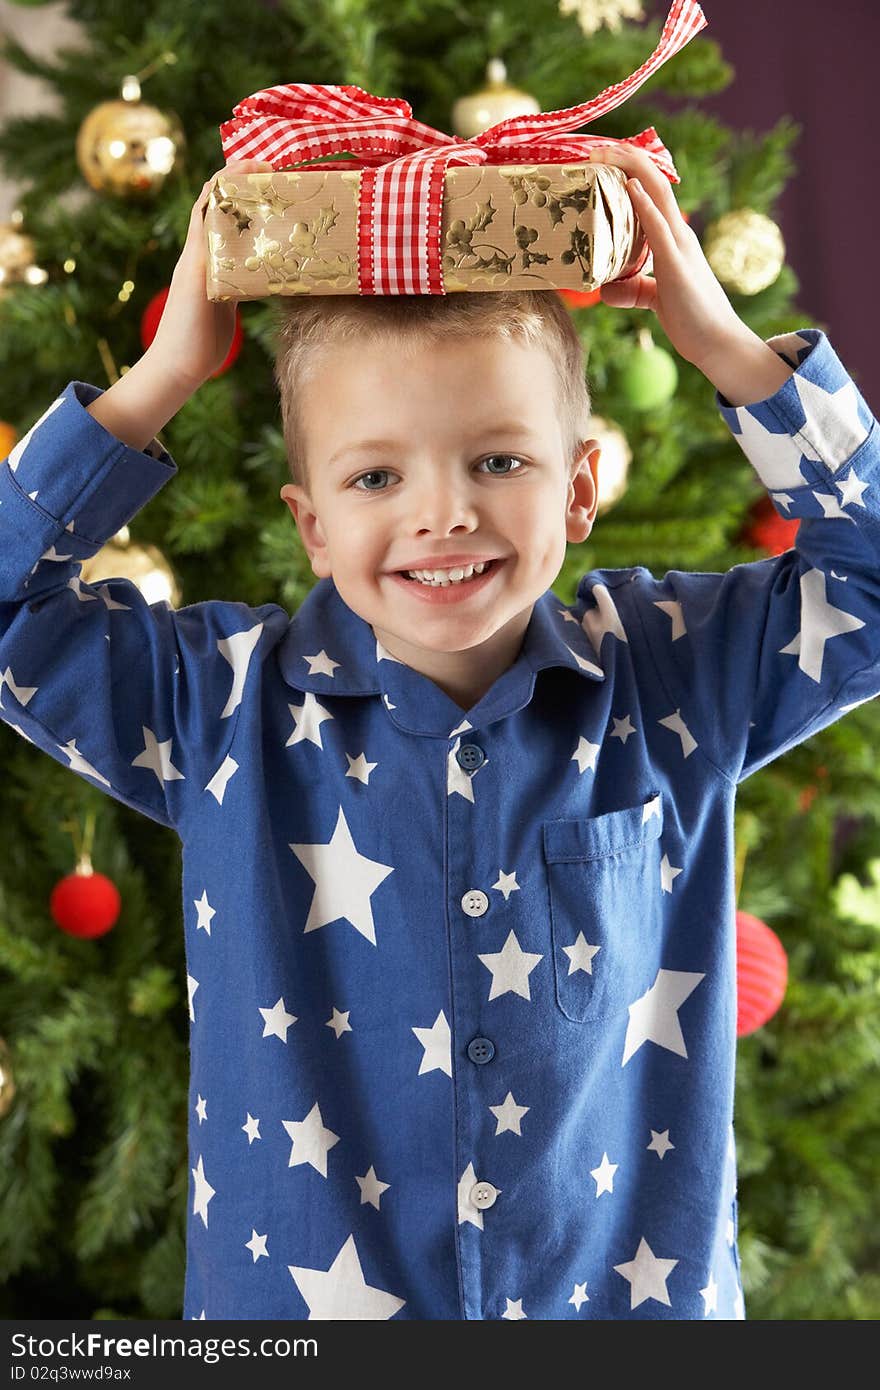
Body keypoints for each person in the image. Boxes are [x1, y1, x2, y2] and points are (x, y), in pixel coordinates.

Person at [1, 141, 877, 1322]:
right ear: (308, 523)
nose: (443, 512)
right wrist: (157, 380)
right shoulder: (217, 707)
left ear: (578, 487)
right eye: (374, 480)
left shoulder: (679, 673)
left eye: (499, 460)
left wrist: (726, 350)